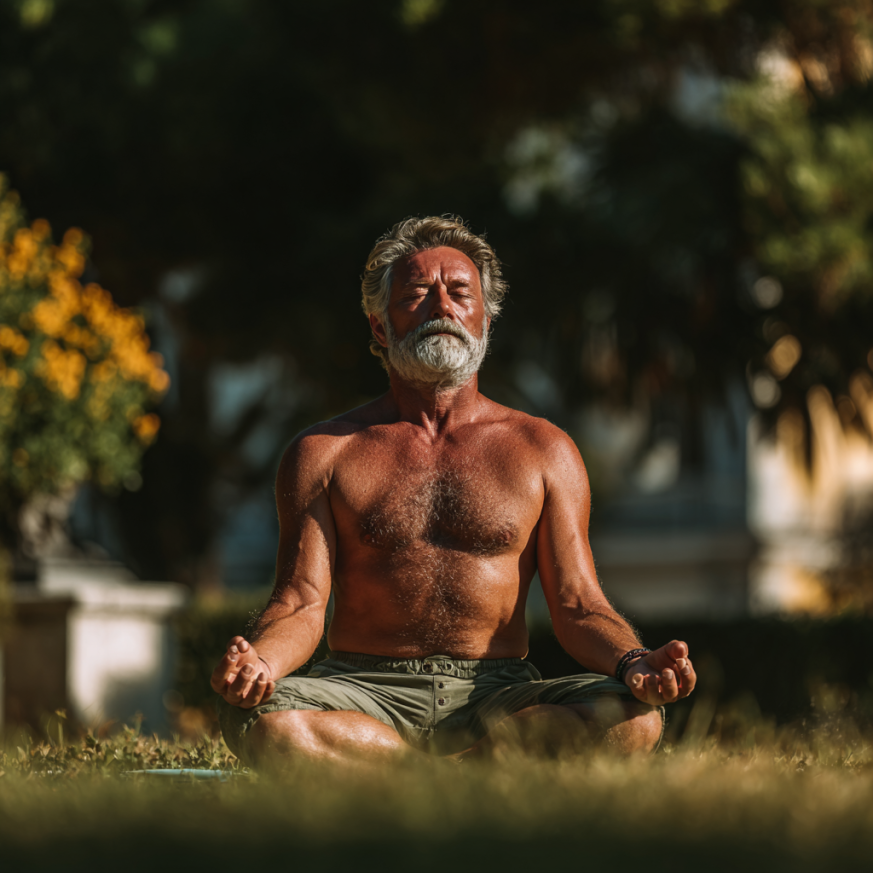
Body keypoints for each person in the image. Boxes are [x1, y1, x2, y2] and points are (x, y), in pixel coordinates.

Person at [212, 215, 696, 767]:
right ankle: (473, 775)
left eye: (460, 292)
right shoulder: (323, 451)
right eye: (417, 293)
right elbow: (301, 600)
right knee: (263, 722)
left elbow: (578, 604)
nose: (441, 306)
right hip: (361, 693)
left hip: (500, 694)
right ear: (378, 326)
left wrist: (634, 662)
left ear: (484, 318)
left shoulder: (544, 448)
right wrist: (262, 666)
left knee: (633, 718)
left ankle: (406, 778)